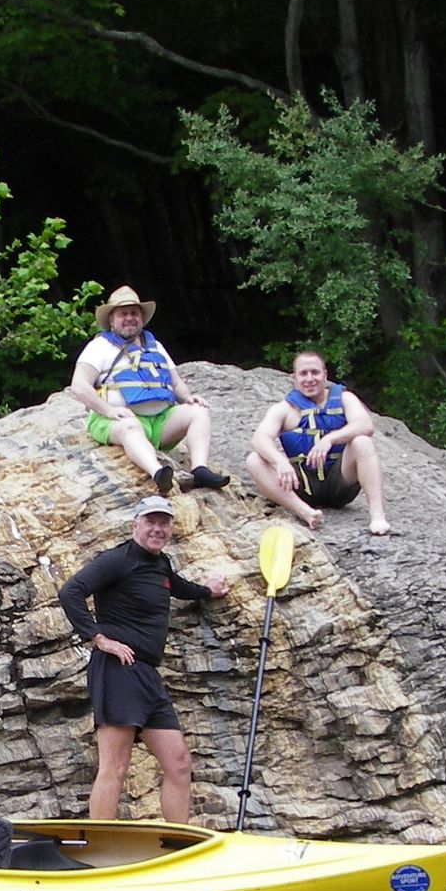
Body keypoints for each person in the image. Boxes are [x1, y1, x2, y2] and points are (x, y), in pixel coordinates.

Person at [57, 495, 230, 822]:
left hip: (147, 675)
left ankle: (176, 845)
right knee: (116, 766)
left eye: (164, 523)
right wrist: (99, 639)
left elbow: (177, 586)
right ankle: (99, 848)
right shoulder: (118, 559)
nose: (157, 528)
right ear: (135, 524)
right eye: (150, 521)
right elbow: (71, 592)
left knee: (178, 762)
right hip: (117, 670)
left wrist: (207, 591)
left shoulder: (160, 564)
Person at [70, 286, 231, 495]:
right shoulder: (99, 347)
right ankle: (158, 473)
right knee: (130, 426)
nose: (129, 318)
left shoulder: (154, 345)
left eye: (134, 313)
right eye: (123, 313)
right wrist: (108, 410)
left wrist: (188, 397)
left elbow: (175, 382)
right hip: (114, 420)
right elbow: (79, 386)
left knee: (199, 412)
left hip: (159, 421)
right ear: (111, 319)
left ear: (142, 318)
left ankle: (199, 469)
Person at [245, 350, 392, 534]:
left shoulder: (345, 399)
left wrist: (330, 439)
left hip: (340, 481)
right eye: (303, 373)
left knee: (362, 442)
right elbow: (259, 438)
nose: (309, 378)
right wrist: (280, 461)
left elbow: (365, 425)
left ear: (325, 375)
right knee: (254, 460)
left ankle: (377, 516)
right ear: (294, 377)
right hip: (302, 485)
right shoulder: (284, 409)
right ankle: (304, 511)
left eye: (315, 372)